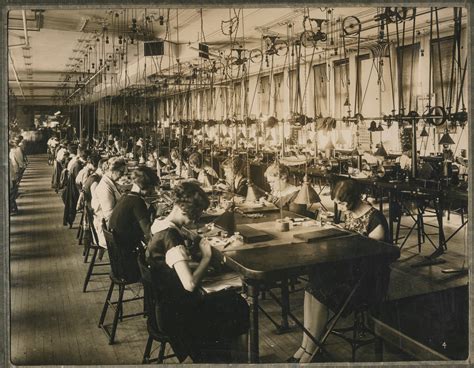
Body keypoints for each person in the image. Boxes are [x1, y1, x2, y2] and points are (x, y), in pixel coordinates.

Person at [145, 181, 249, 363]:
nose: (197, 218)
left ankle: (229, 357)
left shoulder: (160, 225)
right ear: (186, 210)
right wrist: (207, 257)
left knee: (231, 302)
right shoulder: (171, 238)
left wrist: (192, 251)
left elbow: (171, 264)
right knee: (238, 304)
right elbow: (190, 284)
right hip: (177, 315)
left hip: (161, 306)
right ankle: (233, 360)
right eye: (197, 213)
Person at [289, 179, 390, 363]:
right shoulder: (351, 212)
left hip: (367, 282)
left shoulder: (376, 220)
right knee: (310, 287)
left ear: (354, 199)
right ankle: (305, 346)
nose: (341, 208)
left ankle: (312, 351)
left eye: (343, 204)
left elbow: (375, 259)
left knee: (320, 291)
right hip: (351, 273)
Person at [109, 167, 160, 281]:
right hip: (128, 266)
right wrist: (158, 214)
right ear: (143, 186)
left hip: (117, 262)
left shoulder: (126, 196)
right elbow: (148, 233)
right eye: (151, 188)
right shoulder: (137, 202)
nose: (152, 192)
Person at [91, 157, 127, 248]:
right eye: (121, 172)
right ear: (112, 171)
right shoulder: (104, 187)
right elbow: (110, 215)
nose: (122, 175)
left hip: (109, 227)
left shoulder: (109, 182)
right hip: (108, 234)